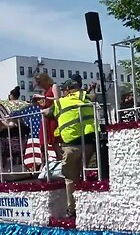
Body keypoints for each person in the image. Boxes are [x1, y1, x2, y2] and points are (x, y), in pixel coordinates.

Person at [41, 79, 96, 218]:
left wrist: (42, 106)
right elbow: (94, 97)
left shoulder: (61, 102)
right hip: (90, 145)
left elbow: (47, 112)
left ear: (67, 90)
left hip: (71, 146)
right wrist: (93, 88)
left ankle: (72, 210)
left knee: (70, 179)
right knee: (87, 174)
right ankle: (89, 207)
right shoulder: (86, 97)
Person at [32, 73, 61, 160]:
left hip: (53, 117)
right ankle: (44, 162)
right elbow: (44, 103)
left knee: (54, 141)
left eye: (39, 83)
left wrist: (43, 97)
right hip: (45, 118)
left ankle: (60, 160)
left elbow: (58, 99)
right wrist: (37, 101)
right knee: (42, 142)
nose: (39, 85)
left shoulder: (54, 86)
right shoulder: (45, 91)